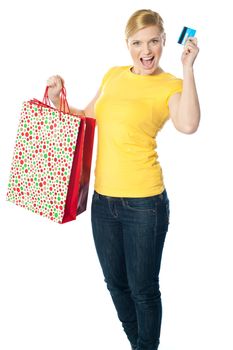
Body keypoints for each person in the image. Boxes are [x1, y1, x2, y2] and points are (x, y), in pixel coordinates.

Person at [47, 9, 200, 350]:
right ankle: (139, 345)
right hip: (103, 202)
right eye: (138, 43)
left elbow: (188, 124)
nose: (146, 51)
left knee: (143, 289)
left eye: (153, 42)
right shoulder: (113, 76)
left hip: (144, 205)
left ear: (163, 42)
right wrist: (58, 100)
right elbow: (87, 116)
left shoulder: (171, 84)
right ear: (127, 44)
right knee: (116, 284)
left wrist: (188, 69)